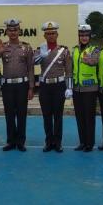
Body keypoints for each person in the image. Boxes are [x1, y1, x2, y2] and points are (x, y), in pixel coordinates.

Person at [0, 18, 35, 152]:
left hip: (22, 85)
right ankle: (11, 141)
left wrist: (31, 87)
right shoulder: (3, 47)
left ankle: (21, 142)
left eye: (15, 30)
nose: (13, 32)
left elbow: (30, 68)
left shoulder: (27, 47)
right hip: (8, 86)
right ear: (6, 32)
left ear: (19, 31)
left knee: (22, 114)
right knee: (9, 114)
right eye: (10, 30)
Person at [34, 21, 72, 152]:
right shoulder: (40, 50)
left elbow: (69, 71)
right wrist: (41, 55)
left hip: (59, 86)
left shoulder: (64, 51)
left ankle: (58, 142)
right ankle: (48, 141)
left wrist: (69, 87)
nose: (50, 36)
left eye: (53, 33)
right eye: (48, 33)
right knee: (46, 116)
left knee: (58, 116)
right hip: (45, 86)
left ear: (57, 34)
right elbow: (33, 62)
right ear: (44, 35)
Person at [71, 24, 100, 152]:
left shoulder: (95, 49)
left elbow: (95, 61)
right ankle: (82, 142)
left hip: (90, 88)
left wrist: (89, 60)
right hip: (77, 88)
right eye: (81, 35)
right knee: (80, 116)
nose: (83, 37)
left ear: (90, 36)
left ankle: (89, 143)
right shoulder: (75, 49)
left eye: (86, 35)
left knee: (89, 117)